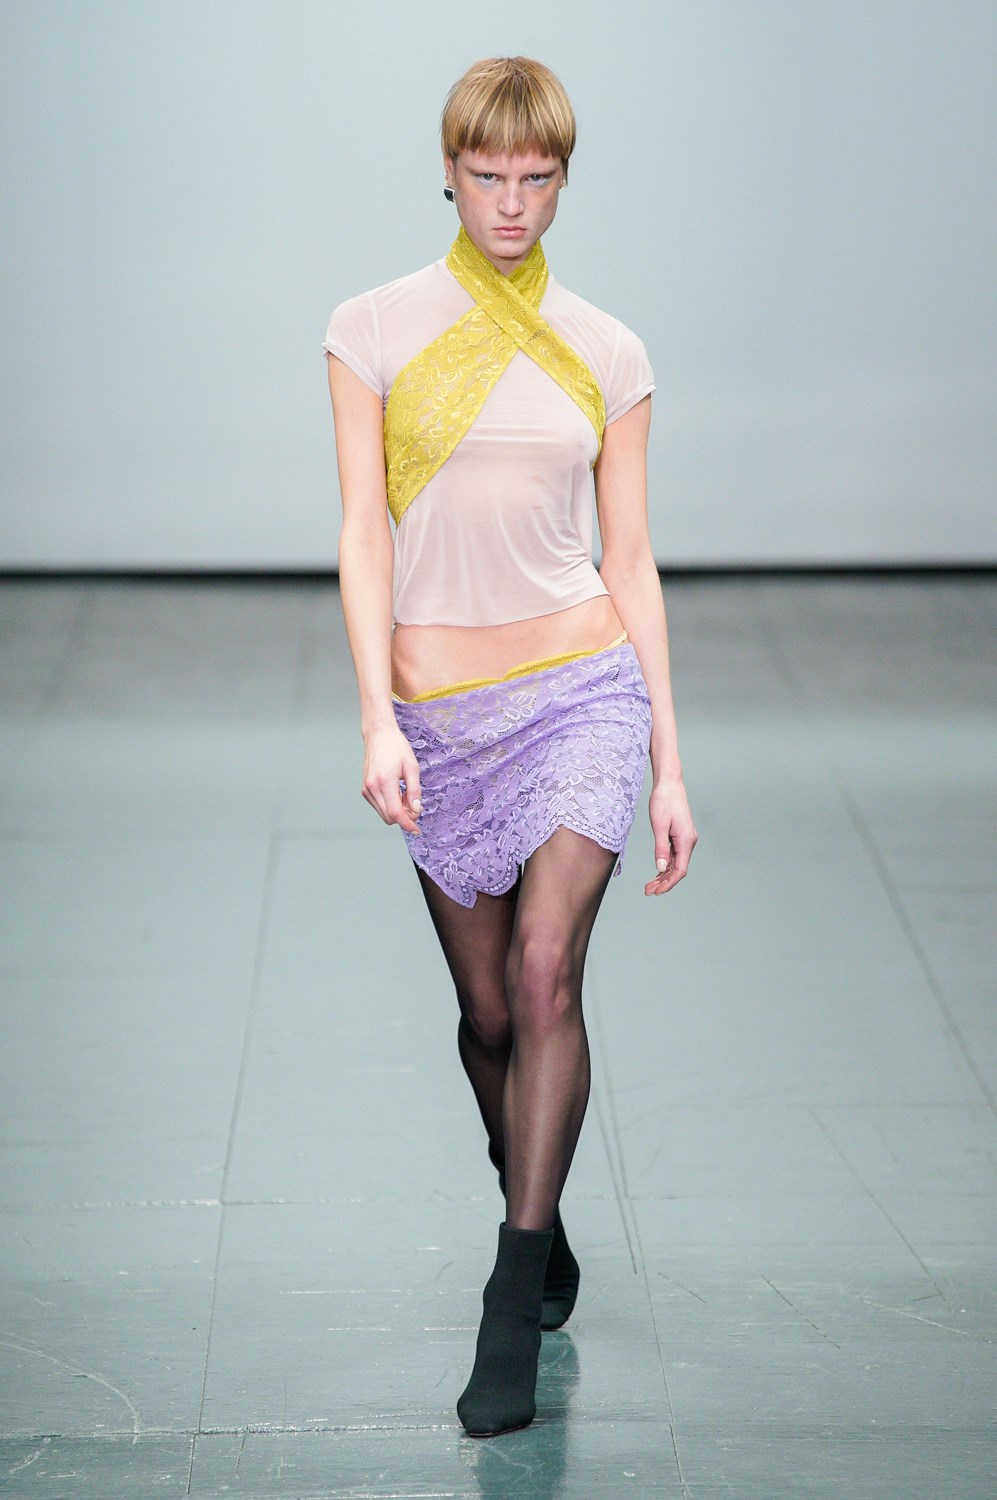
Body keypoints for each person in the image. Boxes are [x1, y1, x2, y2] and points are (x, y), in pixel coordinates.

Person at [323, 55, 697, 1438]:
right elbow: (363, 533)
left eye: (537, 178)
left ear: (562, 180)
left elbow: (631, 557)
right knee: (488, 1015)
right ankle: (536, 1208)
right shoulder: (368, 329)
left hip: (582, 695)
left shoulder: (609, 350)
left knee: (546, 973)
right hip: (440, 716)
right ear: (448, 171)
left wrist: (667, 762)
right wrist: (376, 716)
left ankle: (510, 1287)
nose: (511, 203)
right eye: (487, 174)